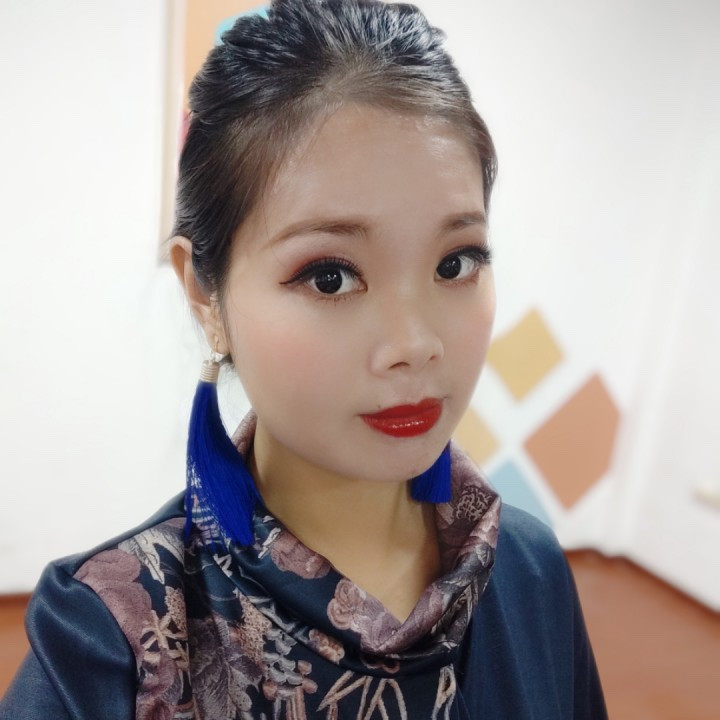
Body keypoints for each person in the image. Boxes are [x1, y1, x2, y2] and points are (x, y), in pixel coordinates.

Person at [0, 1, 607, 718]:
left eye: (456, 262)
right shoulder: (112, 638)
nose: (416, 343)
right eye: (330, 276)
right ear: (206, 295)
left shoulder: (531, 569)